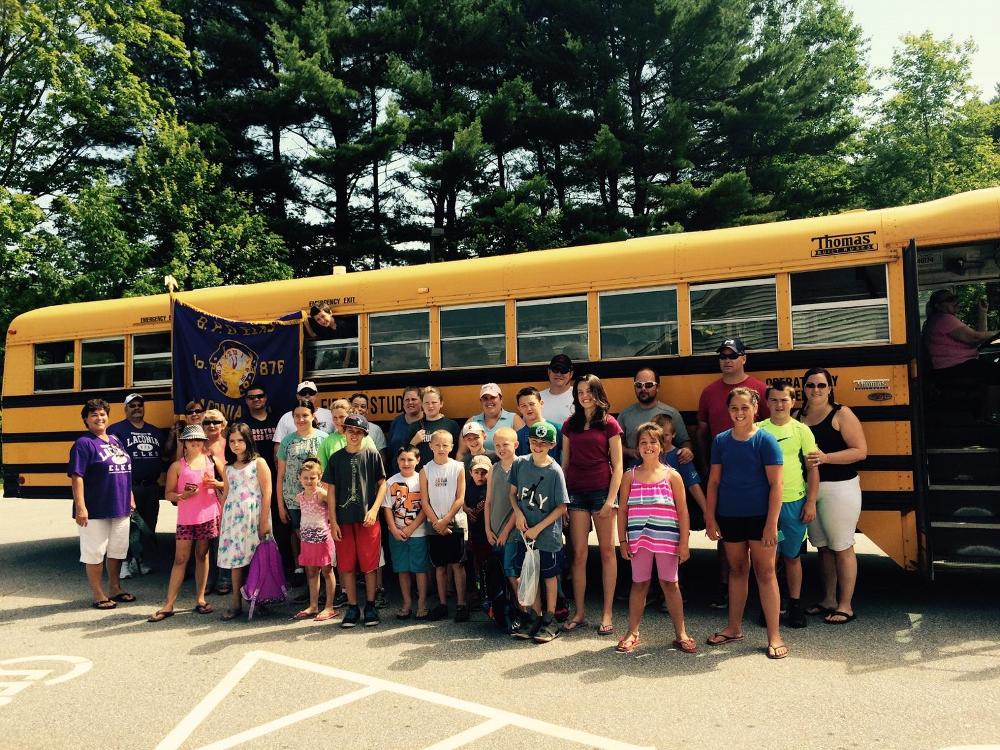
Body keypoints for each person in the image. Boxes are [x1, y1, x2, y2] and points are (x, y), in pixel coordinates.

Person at [704, 388, 787, 659]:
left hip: (760, 518)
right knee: (737, 570)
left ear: (755, 410)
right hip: (730, 517)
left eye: (744, 408)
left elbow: (776, 485)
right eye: (734, 409)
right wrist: (710, 516)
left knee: (766, 573)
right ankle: (733, 627)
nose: (739, 413)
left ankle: (774, 635)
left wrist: (771, 524)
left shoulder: (766, 441)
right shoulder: (721, 441)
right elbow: (714, 481)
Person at [696, 336, 770, 608]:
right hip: (721, 470)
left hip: (754, 476)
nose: (726, 361)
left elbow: (768, 429)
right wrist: (705, 467)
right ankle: (726, 586)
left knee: (763, 540)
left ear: (743, 358)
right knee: (726, 535)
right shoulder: (709, 392)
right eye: (722, 356)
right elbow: (703, 431)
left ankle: (766, 594)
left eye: (732, 355)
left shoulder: (759, 389)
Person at [797, 367, 867, 625]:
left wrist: (826, 458)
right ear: (803, 388)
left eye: (821, 385)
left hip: (841, 487)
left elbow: (860, 451)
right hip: (810, 490)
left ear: (830, 388)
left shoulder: (841, 413)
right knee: (823, 547)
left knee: (842, 546)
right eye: (811, 385)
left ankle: (846, 605)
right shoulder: (797, 416)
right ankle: (828, 599)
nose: (816, 390)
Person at [616, 422, 694, 654]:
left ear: (662, 446)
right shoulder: (629, 476)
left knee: (670, 584)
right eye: (643, 442)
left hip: (667, 540)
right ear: (637, 447)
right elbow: (622, 510)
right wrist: (622, 541)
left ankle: (681, 633)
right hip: (639, 541)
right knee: (639, 584)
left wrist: (684, 544)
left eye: (653, 442)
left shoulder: (673, 476)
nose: (648, 446)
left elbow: (683, 511)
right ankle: (632, 632)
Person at [561, 374, 624, 635]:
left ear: (598, 393)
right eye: (580, 392)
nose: (584, 396)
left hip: (601, 492)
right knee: (578, 554)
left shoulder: (609, 424)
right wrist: (562, 499)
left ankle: (607, 613)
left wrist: (611, 500)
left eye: (588, 391)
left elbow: (618, 464)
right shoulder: (570, 424)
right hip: (575, 493)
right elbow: (564, 464)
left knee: (608, 552)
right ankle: (580, 612)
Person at [148, 424, 227, 622]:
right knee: (180, 559)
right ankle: (168, 604)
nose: (195, 443)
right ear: (184, 443)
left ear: (203, 443)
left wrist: (216, 484)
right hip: (186, 518)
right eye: (191, 440)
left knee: (202, 555)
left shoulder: (213, 461)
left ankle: (200, 599)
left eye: (199, 440)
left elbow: (228, 483)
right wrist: (184, 495)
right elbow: (168, 494)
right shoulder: (177, 466)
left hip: (208, 515)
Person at [756, 381, 819, 629]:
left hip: (794, 501)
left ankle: (794, 605)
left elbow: (812, 468)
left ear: (793, 402)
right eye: (774, 400)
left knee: (792, 557)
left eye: (784, 400)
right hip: (764, 504)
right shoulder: (758, 430)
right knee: (767, 559)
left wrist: (811, 501)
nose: (779, 404)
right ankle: (770, 606)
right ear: (766, 403)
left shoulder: (802, 431)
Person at [69, 399, 135, 609]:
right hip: (96, 508)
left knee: (117, 550)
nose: (99, 418)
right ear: (86, 420)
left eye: (103, 414)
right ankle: (98, 594)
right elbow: (76, 476)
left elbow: (125, 470)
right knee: (95, 552)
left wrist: (130, 496)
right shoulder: (83, 443)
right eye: (94, 415)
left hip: (121, 506)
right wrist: (81, 507)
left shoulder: (115, 440)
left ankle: (115, 588)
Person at [322, 414, 387, 628]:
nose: (354, 435)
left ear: (364, 434)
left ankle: (370, 605)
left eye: (359, 431)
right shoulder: (336, 458)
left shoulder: (371, 454)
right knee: (347, 566)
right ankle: (351, 607)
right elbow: (330, 491)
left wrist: (375, 510)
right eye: (350, 430)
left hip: (367, 519)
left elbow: (382, 484)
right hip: (343, 519)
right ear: (344, 431)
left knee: (369, 565)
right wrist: (333, 520)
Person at [509, 422, 569, 644]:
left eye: (543, 443)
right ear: (529, 441)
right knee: (530, 574)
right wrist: (518, 514)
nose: (538, 446)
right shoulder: (520, 464)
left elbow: (562, 507)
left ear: (552, 445)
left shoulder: (555, 471)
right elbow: (513, 494)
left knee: (549, 576)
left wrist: (538, 528)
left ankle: (550, 619)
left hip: (545, 535)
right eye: (534, 441)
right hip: (525, 533)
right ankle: (534, 617)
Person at [218, 423, 272, 621]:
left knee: (256, 559)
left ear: (248, 440)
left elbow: (267, 492)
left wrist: (264, 521)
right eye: (232, 441)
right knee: (236, 561)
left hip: (254, 516)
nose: (236, 445)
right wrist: (221, 518)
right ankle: (235, 602)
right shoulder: (228, 468)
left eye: (240, 440)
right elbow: (225, 494)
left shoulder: (258, 463)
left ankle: (258, 600)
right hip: (233, 520)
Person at [108, 393, 165, 577]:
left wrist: (173, 435)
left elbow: (166, 452)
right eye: (132, 406)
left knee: (148, 526)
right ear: (125, 409)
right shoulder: (116, 430)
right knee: (126, 527)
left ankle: (139, 560)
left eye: (139, 405)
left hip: (150, 487)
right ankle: (124, 563)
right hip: (128, 486)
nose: (137, 408)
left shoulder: (155, 431)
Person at [923, 289, 999, 418]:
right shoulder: (944, 319)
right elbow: (975, 337)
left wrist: (982, 313)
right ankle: (987, 415)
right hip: (952, 368)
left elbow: (979, 338)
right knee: (996, 373)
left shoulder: (940, 320)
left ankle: (985, 414)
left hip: (951, 367)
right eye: (949, 300)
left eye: (955, 299)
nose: (955, 302)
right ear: (938, 305)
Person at [420, 429, 468, 622]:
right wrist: (436, 523)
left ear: (451, 447)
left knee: (457, 565)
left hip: (455, 522)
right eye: (437, 444)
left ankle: (461, 604)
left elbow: (460, 498)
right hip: (434, 523)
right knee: (439, 567)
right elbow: (424, 501)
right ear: (430, 446)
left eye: (445, 445)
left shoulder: (458, 467)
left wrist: (446, 520)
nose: (441, 448)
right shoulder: (425, 470)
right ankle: (442, 604)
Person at [276, 400, 329, 574]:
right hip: (293, 499)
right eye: (297, 416)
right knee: (302, 539)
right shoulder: (287, 442)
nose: (301, 419)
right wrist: (281, 505)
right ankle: (309, 579)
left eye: (305, 415)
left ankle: (324, 580)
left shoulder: (323, 439)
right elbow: (281, 475)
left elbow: (330, 471)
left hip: (319, 499)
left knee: (321, 539)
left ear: (313, 416)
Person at [243, 387, 290, 573]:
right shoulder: (243, 423)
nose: (256, 400)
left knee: (280, 525)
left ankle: (283, 568)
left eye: (260, 396)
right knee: (254, 527)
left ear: (266, 398)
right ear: (246, 401)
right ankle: (256, 570)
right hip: (251, 482)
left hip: (277, 478)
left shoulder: (277, 421)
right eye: (251, 397)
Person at [383, 446, 431, 620]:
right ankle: (407, 603)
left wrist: (411, 528)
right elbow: (387, 508)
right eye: (402, 459)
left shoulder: (422, 480)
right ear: (397, 461)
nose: (406, 463)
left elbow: (426, 507)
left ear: (418, 460)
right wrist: (394, 529)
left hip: (418, 532)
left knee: (420, 569)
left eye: (410, 459)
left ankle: (422, 604)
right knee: (402, 569)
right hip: (397, 533)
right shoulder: (390, 482)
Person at [617, 367, 693, 468]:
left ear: (657, 387)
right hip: (635, 473)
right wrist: (630, 452)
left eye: (648, 385)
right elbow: (615, 446)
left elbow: (684, 442)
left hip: (666, 472)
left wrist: (687, 451)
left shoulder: (671, 413)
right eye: (639, 385)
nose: (643, 389)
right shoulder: (624, 415)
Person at [292, 458, 338, 622]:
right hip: (307, 539)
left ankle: (329, 606)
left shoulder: (322, 494)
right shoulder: (300, 497)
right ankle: (313, 605)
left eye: (313, 477)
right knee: (311, 572)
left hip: (323, 538)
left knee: (327, 571)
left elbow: (334, 506)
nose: (309, 481)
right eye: (305, 478)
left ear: (319, 478)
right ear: (299, 478)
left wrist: (333, 525)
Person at [484, 427, 521, 621]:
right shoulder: (493, 469)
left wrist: (507, 530)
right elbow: (488, 501)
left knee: (512, 571)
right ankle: (508, 611)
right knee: (502, 573)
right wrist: (487, 529)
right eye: (497, 445)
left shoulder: (521, 466)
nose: (501, 448)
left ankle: (524, 611)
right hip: (495, 531)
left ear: (515, 444)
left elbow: (519, 505)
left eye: (505, 444)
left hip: (513, 532)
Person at [457, 383, 523, 458]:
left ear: (501, 399)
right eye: (485, 398)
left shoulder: (514, 419)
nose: (489, 401)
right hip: (479, 468)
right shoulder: (472, 422)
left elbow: (523, 449)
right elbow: (462, 453)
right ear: (481, 401)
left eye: (493, 397)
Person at [463, 454, 493, 605]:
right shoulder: (467, 489)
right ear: (470, 473)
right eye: (476, 472)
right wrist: (466, 509)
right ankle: (478, 593)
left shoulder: (491, 488)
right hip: (474, 533)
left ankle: (491, 593)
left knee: (490, 564)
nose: (480, 476)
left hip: (489, 533)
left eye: (484, 472)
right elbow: (459, 500)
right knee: (476, 564)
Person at [409, 386, 462, 466]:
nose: (430, 406)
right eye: (426, 403)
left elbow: (459, 452)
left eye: (434, 402)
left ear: (441, 403)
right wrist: (413, 443)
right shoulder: (414, 427)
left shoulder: (451, 425)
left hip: (445, 473)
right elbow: (405, 454)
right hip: (421, 474)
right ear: (422, 405)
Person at [514, 387, 562, 463]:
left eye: (532, 404)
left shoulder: (558, 429)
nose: (528, 408)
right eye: (523, 406)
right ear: (519, 408)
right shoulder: (518, 436)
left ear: (541, 403)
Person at [540, 354, 575, 426]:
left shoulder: (579, 395)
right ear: (549, 372)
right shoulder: (537, 397)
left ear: (571, 374)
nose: (559, 374)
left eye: (563, 370)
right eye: (555, 370)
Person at [350, 392, 387, 458]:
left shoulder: (376, 429)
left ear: (367, 410)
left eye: (363, 406)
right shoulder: (343, 428)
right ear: (350, 408)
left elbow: (382, 456)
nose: (359, 409)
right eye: (355, 406)